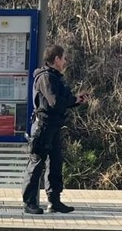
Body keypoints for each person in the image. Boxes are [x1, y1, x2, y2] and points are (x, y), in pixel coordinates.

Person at [22, 45, 87, 214]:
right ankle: (29, 202)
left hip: (54, 126)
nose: (65, 62)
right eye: (64, 58)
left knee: (55, 164)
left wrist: (75, 100)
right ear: (57, 59)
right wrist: (71, 99)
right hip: (43, 125)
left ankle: (54, 200)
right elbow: (55, 102)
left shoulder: (56, 78)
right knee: (36, 163)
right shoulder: (45, 78)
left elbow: (63, 100)